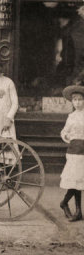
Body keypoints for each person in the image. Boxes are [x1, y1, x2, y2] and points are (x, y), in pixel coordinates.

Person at [59, 85, 84, 222]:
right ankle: (67, 205)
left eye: (80, 100)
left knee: (79, 181)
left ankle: (76, 209)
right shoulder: (71, 116)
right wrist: (67, 137)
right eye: (75, 100)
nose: (77, 102)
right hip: (74, 151)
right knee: (75, 181)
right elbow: (64, 132)